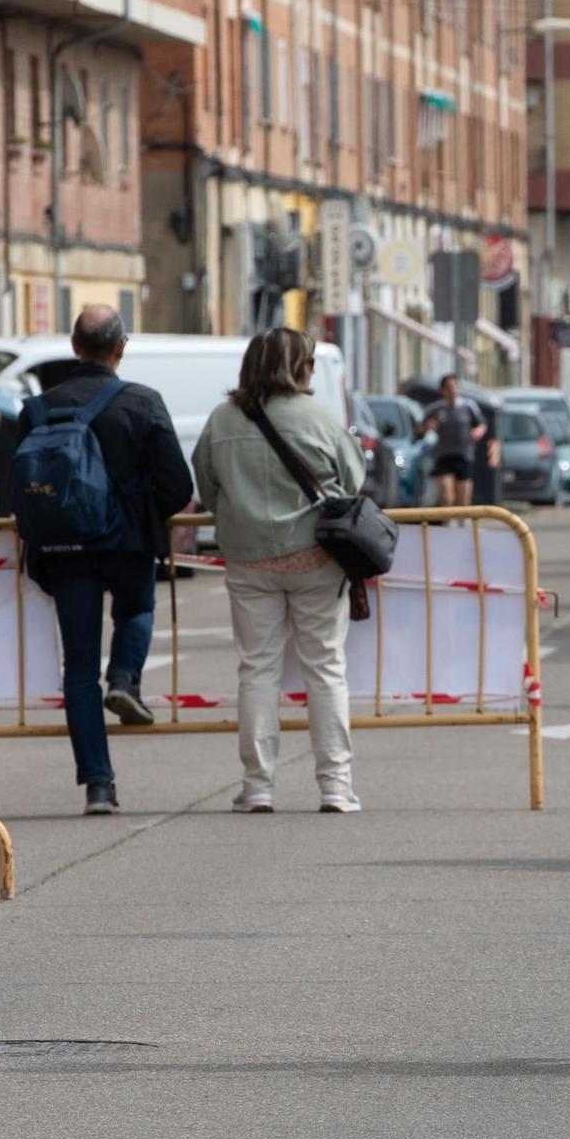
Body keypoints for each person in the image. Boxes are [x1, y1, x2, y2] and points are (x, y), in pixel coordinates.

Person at [12, 305, 193, 815]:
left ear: (74, 346)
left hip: (64, 552)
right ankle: (126, 679)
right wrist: (142, 514)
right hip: (127, 545)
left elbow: (20, 490)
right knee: (136, 610)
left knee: (77, 669)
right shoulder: (142, 403)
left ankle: (98, 786)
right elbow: (179, 486)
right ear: (121, 347)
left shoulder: (38, 410)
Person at [192, 327, 367, 814]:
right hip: (315, 557)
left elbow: (207, 487)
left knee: (257, 671)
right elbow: (353, 478)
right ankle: (335, 786)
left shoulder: (222, 420)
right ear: (301, 369)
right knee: (325, 669)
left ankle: (259, 786)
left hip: (248, 559)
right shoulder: (318, 417)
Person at [419, 375, 485, 507]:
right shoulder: (435, 409)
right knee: (447, 497)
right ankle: (447, 524)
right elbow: (419, 429)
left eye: (455, 386)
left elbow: (481, 424)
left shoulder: (469, 406)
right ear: (443, 390)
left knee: (463, 501)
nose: (452, 390)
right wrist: (427, 427)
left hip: (464, 455)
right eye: (448, 387)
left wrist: (478, 431)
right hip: (443, 456)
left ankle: (461, 526)